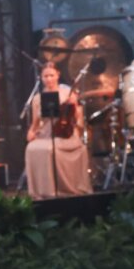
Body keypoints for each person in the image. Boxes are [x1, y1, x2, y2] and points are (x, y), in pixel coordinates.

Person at [24, 62, 93, 199]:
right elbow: (35, 124)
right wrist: (31, 132)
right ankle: (40, 191)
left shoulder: (68, 93)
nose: (49, 79)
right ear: (41, 78)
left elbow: (78, 119)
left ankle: (57, 190)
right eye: (45, 76)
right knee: (31, 148)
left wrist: (74, 105)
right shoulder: (37, 99)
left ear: (58, 75)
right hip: (45, 135)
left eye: (51, 75)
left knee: (50, 149)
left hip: (66, 134)